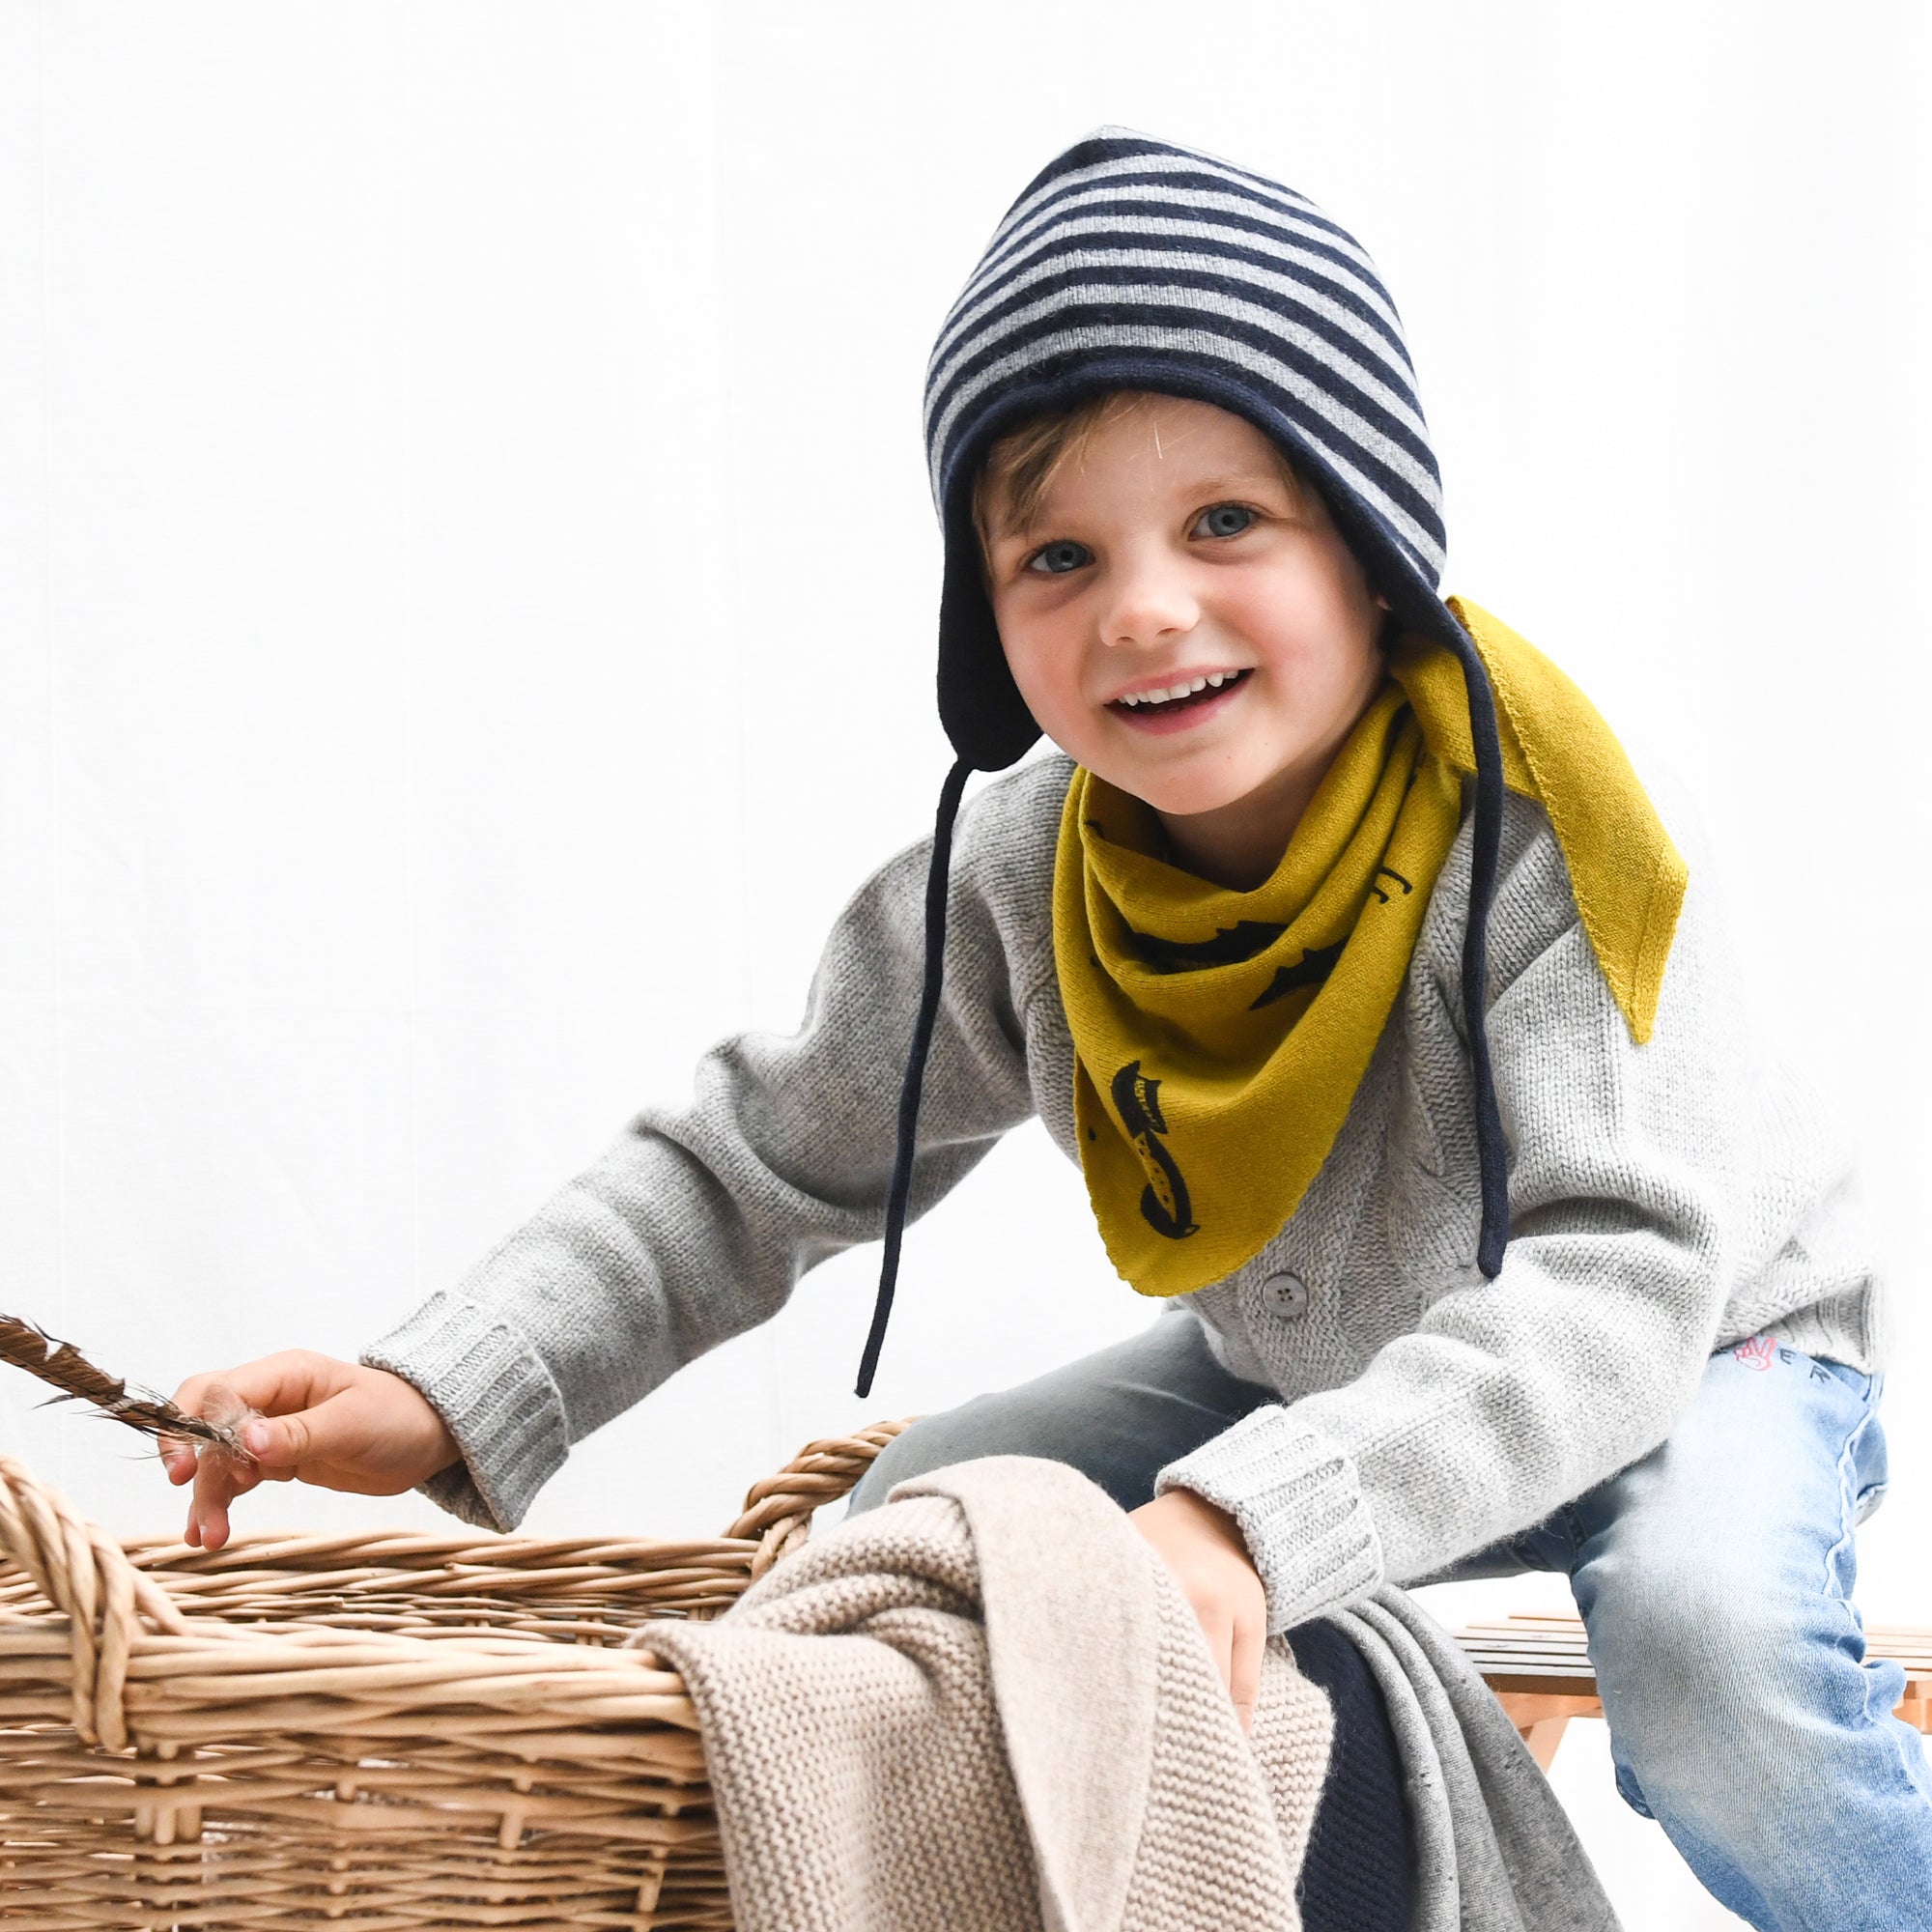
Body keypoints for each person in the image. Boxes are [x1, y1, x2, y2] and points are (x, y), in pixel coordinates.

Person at [164, 130, 1930, 1927]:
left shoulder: (1539, 835)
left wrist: (1250, 1519)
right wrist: (442, 1387)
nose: (1144, 608)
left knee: (1714, 1669)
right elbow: (752, 1163)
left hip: (1701, 1351)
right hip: (1320, 1372)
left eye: (1226, 522)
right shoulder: (1025, 874)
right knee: (915, 1534)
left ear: (1369, 543)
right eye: (1059, 555)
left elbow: (1619, 1287)